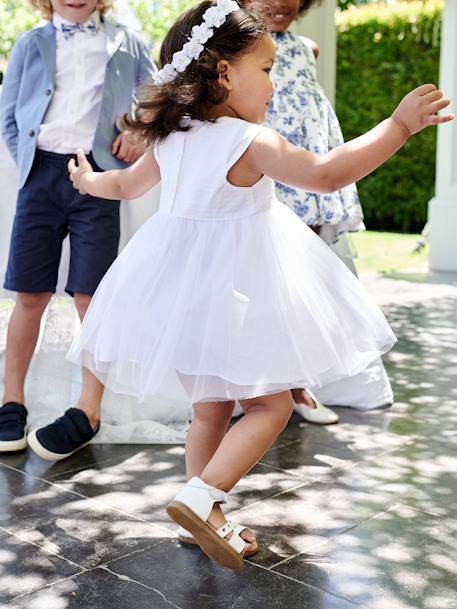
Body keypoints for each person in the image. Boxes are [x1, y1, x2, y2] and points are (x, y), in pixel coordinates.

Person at [67, 0, 451, 570]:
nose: (274, 84)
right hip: (235, 290)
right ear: (225, 73)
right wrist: (397, 127)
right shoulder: (245, 141)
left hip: (179, 292)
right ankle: (202, 497)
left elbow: (125, 186)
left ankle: (204, 516)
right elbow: (325, 173)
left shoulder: (174, 138)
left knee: (210, 412)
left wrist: (88, 180)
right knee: (270, 406)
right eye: (267, 69)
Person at [0, 0, 155, 458]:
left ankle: (89, 409)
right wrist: (28, 161)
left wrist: (139, 131)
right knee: (30, 294)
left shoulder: (127, 41)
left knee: (92, 296)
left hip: (99, 176)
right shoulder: (30, 43)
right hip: (41, 178)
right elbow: (9, 113)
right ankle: (11, 400)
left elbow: (155, 102)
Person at [245, 0, 394, 424]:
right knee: (257, 284)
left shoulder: (305, 48)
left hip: (308, 180)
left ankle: (295, 383)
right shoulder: (238, 50)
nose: (278, 3)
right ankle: (255, 384)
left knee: (296, 285)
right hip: (266, 173)